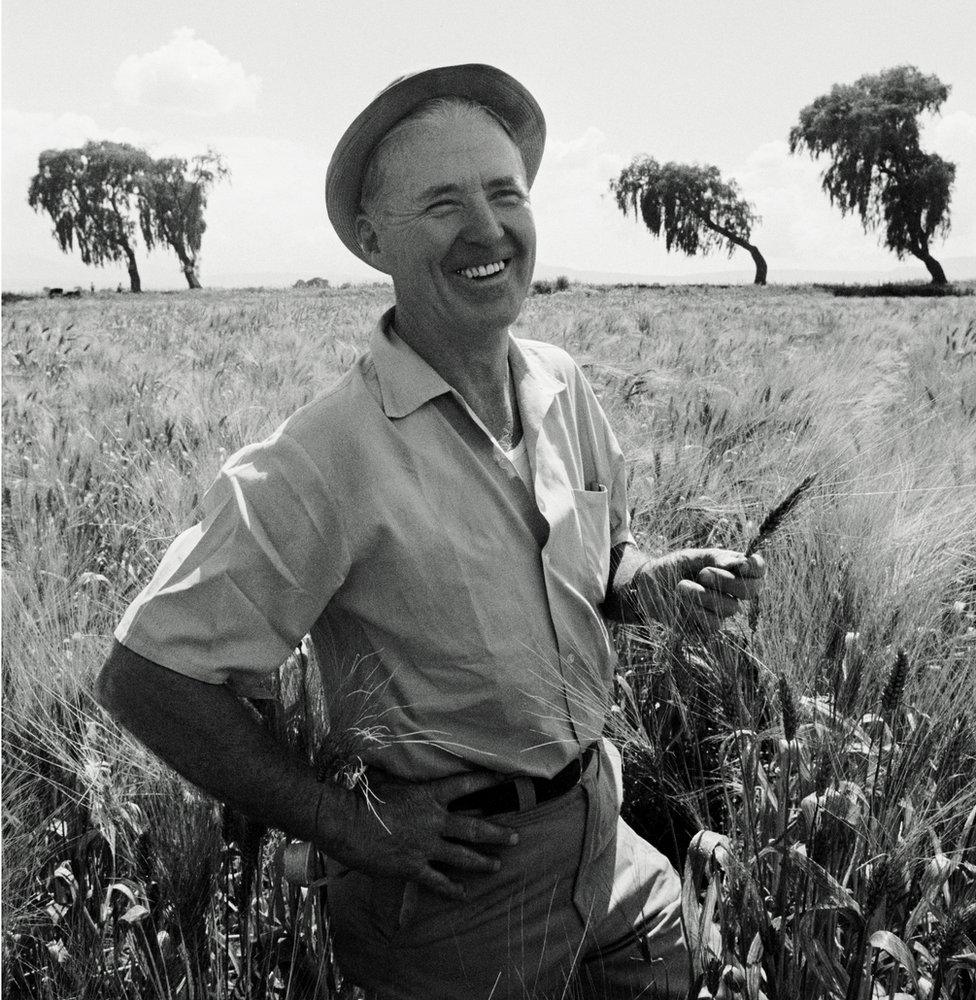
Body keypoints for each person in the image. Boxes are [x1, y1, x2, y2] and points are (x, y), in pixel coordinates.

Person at [96, 63, 765, 999]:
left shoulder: (562, 384)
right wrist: (347, 825)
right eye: (443, 204)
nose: (487, 229)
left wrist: (652, 578)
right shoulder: (323, 456)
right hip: (458, 905)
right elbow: (144, 676)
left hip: (605, 835)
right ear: (375, 240)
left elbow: (599, 566)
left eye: (504, 193)